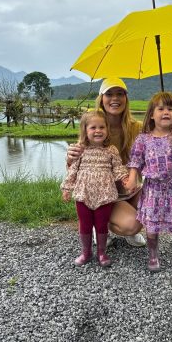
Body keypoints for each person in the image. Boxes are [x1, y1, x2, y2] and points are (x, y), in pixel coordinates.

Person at [66, 78, 146, 247]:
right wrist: (70, 158)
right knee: (132, 224)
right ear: (101, 98)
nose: (115, 98)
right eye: (109, 94)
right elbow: (78, 163)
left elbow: (151, 158)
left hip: (132, 188)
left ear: (126, 98)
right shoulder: (95, 126)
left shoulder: (138, 128)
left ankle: (121, 220)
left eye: (120, 94)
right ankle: (99, 224)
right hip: (105, 195)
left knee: (159, 203)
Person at [124, 91, 172, 279]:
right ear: (152, 115)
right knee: (152, 227)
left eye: (170, 109)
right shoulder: (143, 139)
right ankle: (153, 257)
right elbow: (135, 161)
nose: (166, 112)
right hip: (152, 190)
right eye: (161, 108)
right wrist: (132, 178)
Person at [61, 110, 129, 268]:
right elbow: (73, 171)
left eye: (102, 127)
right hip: (83, 194)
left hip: (105, 194)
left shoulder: (111, 150)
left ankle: (101, 252)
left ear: (107, 129)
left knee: (101, 224)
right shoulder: (80, 149)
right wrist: (66, 188)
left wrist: (125, 179)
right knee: (84, 223)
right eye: (93, 127)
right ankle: (86, 252)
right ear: (85, 130)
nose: (98, 131)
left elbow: (118, 168)